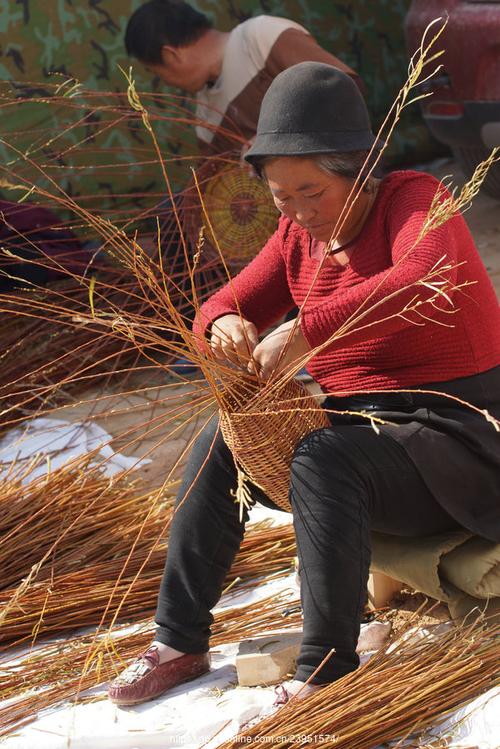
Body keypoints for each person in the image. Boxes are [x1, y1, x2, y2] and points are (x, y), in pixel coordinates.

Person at [108, 62, 500, 707]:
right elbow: (224, 300)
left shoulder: (416, 201)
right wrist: (226, 321)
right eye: (280, 196)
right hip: (369, 443)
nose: (295, 212)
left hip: (458, 445)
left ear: (359, 170)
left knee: (323, 457)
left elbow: (418, 278)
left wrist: (302, 332)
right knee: (222, 440)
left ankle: (324, 670)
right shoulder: (298, 233)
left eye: (311, 191)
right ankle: (178, 641)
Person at [124, 0, 361, 154]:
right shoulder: (205, 116)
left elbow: (346, 87)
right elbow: (217, 190)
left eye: (157, 73)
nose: (166, 83)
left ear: (171, 55)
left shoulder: (260, 37)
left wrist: (272, 141)